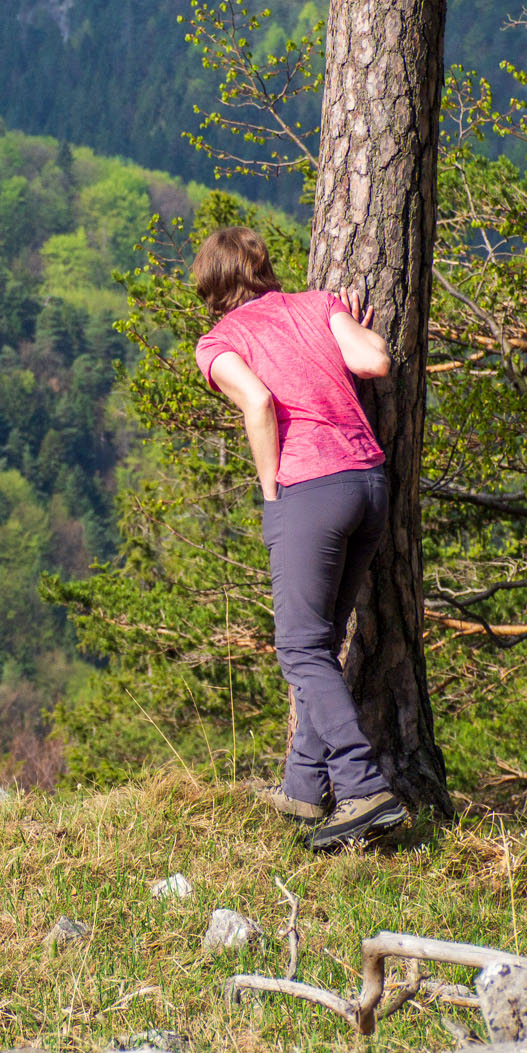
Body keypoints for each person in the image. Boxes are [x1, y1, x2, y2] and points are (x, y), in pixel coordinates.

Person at [190, 226, 404, 851]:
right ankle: (304, 790)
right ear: (262, 269)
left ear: (210, 286)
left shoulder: (220, 341)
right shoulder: (318, 304)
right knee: (322, 639)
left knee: (300, 650)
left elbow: (257, 401)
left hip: (309, 490)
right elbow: (374, 360)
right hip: (369, 481)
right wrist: (352, 323)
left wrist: (270, 490)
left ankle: (363, 789)